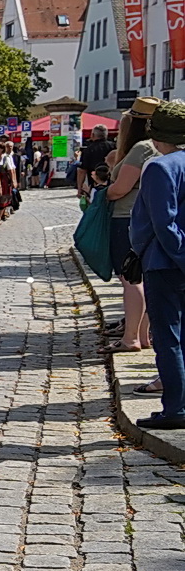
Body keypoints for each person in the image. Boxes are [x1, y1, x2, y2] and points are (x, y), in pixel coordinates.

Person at [129, 101, 185, 430]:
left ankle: (176, 407)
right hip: (173, 259)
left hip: (165, 263)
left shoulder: (159, 167)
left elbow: (164, 224)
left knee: (168, 338)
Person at [108, 108, 157, 354]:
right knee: (144, 277)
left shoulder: (142, 148)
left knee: (131, 276)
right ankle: (143, 334)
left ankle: (131, 337)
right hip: (145, 216)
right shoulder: (160, 147)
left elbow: (121, 188)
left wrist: (104, 193)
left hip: (126, 216)